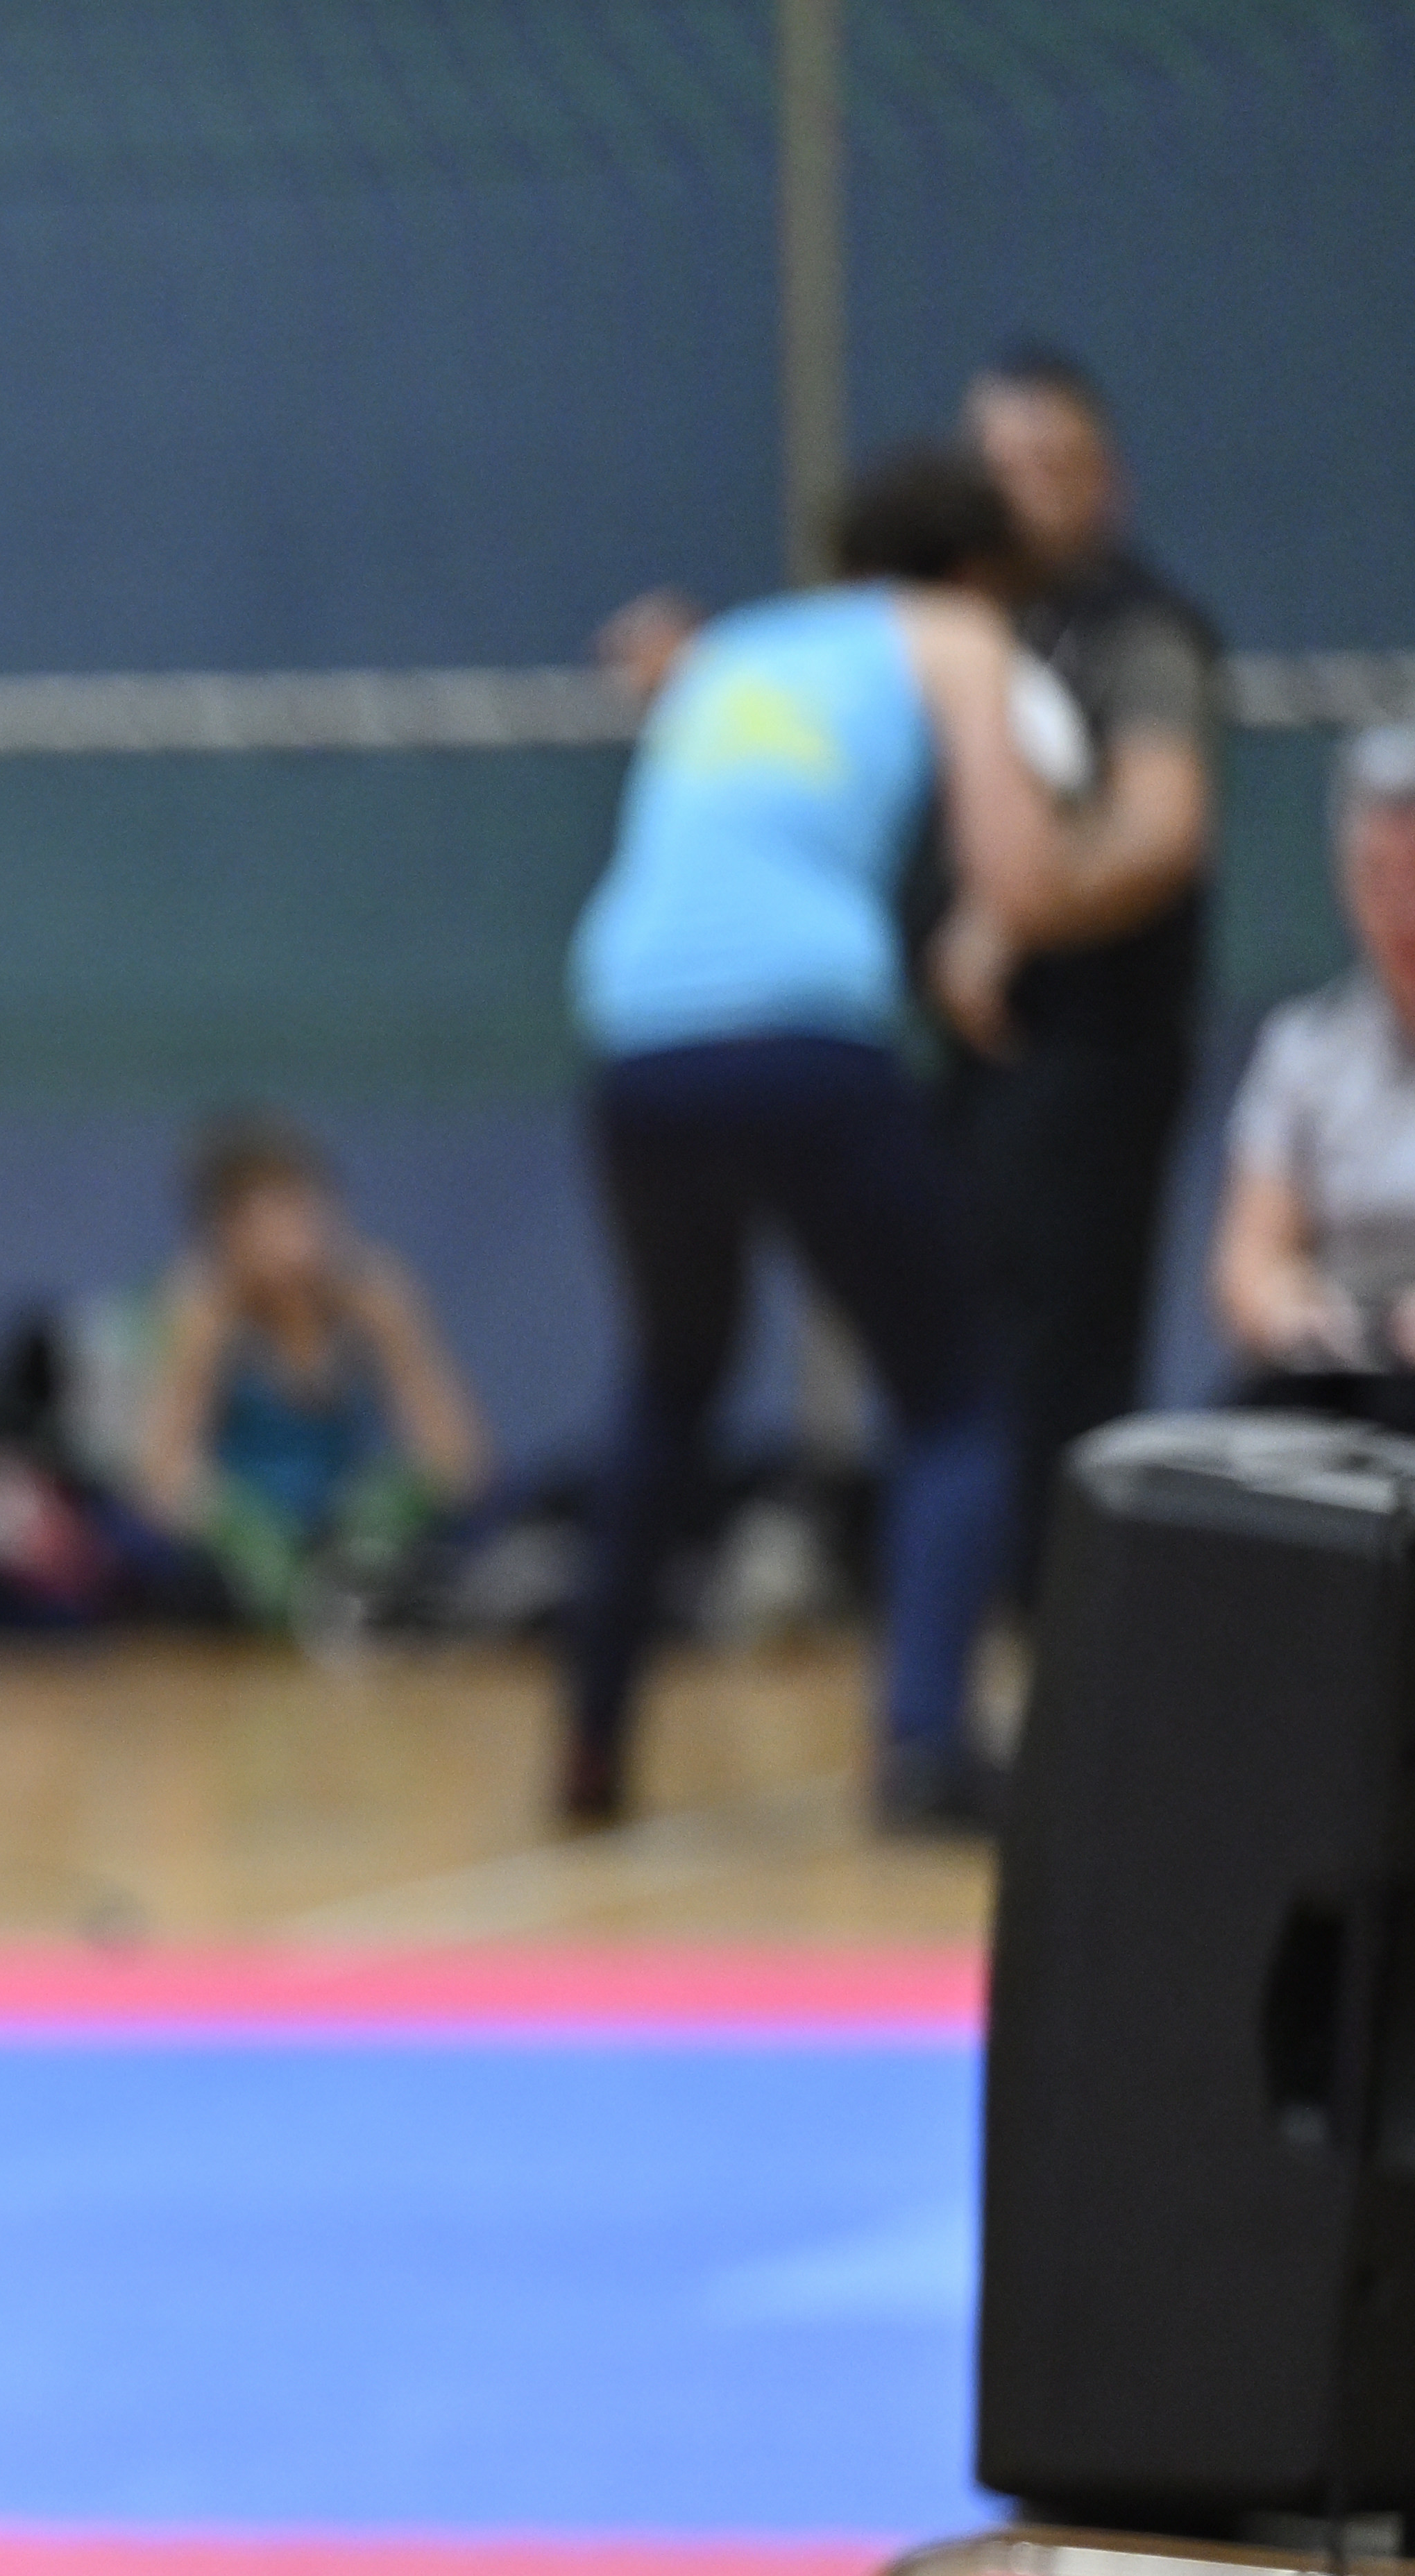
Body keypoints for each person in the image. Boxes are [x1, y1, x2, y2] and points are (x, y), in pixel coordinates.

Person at [557, 443, 1081, 1834]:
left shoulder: (738, 648)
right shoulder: (956, 632)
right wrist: (984, 937)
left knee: (672, 1378)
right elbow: (1022, 870)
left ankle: (591, 1740)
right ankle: (924, 1747)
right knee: (952, 1394)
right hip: (805, 1035)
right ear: (975, 568)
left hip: (637, 1039)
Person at [957, 346, 1223, 1589]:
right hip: (968, 1062)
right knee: (963, 1349)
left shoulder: (1135, 629)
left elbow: (1160, 827)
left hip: (1090, 1050)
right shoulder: (960, 631)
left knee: (1061, 1360)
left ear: (1105, 482)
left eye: (1051, 466)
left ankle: (1061, 1628)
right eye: (998, 468)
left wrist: (1018, 913)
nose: (1022, 494)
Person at [123, 1109, 489, 1632]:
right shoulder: (203, 1310)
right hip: (244, 1544)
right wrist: (242, 1533)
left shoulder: (374, 1296)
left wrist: (387, 1514)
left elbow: (459, 1456)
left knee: (479, 1540)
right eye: (269, 1217)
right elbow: (159, 1474)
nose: (297, 1236)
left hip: (342, 1528)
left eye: (305, 1208)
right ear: (225, 1233)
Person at [1208, 726, 1415, 1438]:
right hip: (1348, 1388)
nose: (1403, 909)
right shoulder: (1304, 1048)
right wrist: (1294, 1312)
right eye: (1379, 876)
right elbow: (1248, 1267)